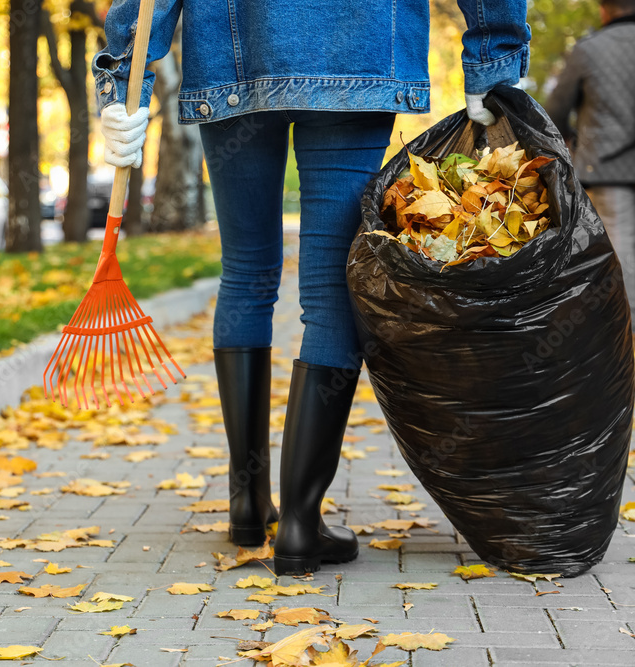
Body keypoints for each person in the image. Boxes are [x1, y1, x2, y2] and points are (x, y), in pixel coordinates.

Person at [93, 1, 530, 576]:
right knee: (329, 291)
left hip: (234, 60)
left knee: (246, 273)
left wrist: (123, 83)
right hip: (359, 55)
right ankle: (300, 524)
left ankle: (246, 502)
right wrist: (493, 56)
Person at [545, 0, 635, 324]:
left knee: (622, 263)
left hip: (607, 171)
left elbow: (554, 112)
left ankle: (626, 348)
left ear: (604, 10)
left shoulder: (589, 50)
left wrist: (570, 137)